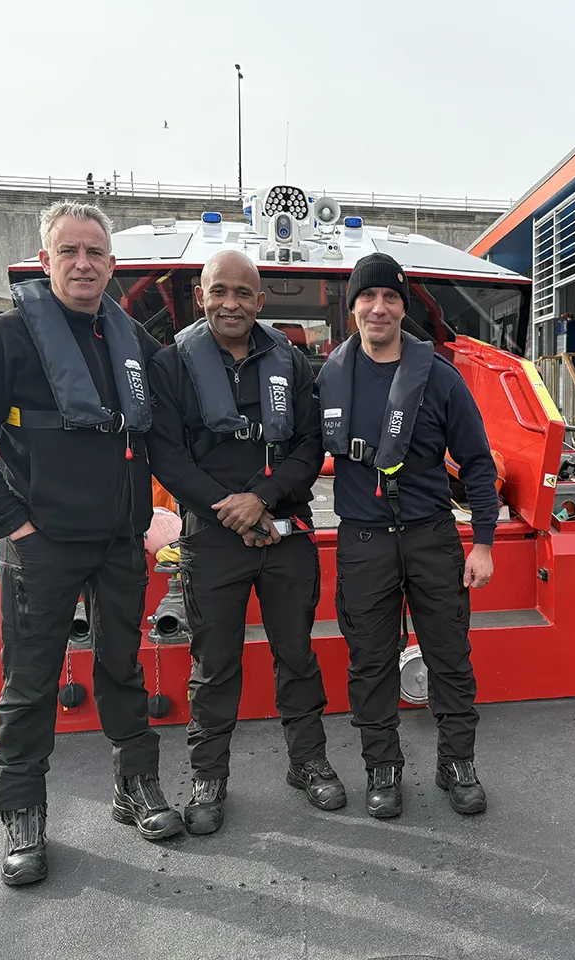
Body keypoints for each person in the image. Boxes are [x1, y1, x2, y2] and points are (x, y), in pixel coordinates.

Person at [0, 199, 184, 887]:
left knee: (122, 671)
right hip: (38, 547)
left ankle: (134, 786)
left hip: (117, 545)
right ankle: (22, 815)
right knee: (29, 686)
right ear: (45, 260)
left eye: (95, 253)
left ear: (112, 266)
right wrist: (16, 528)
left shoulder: (133, 341)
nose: (83, 263)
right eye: (69, 252)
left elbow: (163, 432)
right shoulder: (3, 339)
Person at [146, 250, 343, 835]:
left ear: (260, 301)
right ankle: (209, 776)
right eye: (218, 292)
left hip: (285, 533)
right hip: (211, 538)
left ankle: (307, 761)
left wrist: (262, 496)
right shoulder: (171, 364)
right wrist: (228, 508)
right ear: (201, 297)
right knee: (214, 664)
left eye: (242, 293)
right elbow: (168, 455)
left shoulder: (293, 361)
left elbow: (310, 446)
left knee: (297, 655)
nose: (230, 303)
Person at [316, 252, 496, 819]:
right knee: (369, 659)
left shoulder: (439, 378)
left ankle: (457, 762)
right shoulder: (329, 377)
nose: (378, 308)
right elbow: (297, 453)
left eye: (390, 297)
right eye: (367, 298)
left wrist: (484, 541)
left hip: (431, 536)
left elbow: (476, 462)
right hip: (364, 540)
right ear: (353, 309)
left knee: (450, 655)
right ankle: (382, 766)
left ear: (403, 307)